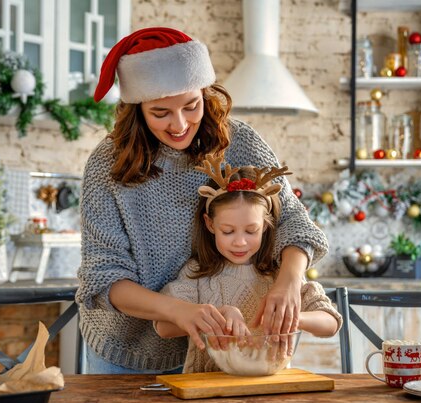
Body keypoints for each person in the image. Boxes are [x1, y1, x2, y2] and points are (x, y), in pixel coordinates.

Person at [76, 27, 329, 374]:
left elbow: (293, 221)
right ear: (136, 109)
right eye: (160, 112)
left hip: (221, 353)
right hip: (130, 354)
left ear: (206, 95)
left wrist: (288, 284)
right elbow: (103, 278)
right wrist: (176, 310)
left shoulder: (240, 143)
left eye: (191, 106)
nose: (179, 124)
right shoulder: (108, 165)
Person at [154, 155, 341, 373]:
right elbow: (163, 327)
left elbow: (331, 323)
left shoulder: (279, 274)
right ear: (210, 224)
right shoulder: (197, 273)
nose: (240, 241)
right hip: (208, 390)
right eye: (228, 231)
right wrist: (221, 315)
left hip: (268, 392)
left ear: (266, 224)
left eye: (251, 230)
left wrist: (288, 318)